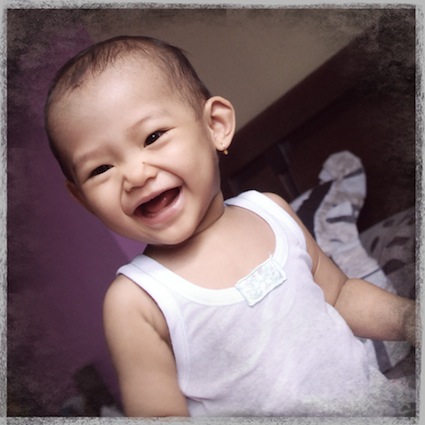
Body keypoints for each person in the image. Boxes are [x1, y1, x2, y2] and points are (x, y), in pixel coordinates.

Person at [44, 35, 416, 418]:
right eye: (101, 169)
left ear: (215, 126)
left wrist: (409, 320)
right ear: (83, 199)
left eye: (153, 137)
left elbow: (340, 296)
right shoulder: (136, 302)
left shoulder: (272, 213)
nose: (136, 175)